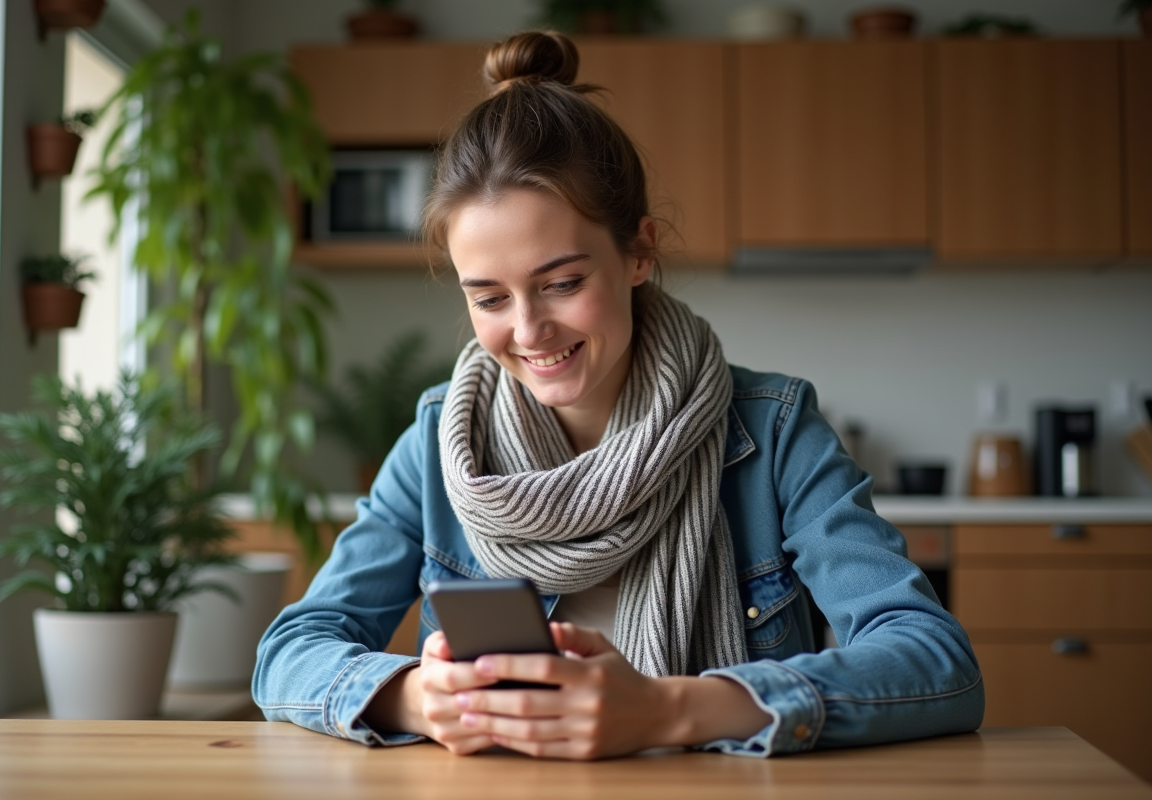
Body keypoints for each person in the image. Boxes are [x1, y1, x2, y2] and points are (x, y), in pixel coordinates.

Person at [253, 30, 984, 760]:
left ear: (639, 251)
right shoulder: (443, 440)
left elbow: (936, 663)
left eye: (562, 283)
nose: (529, 330)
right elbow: (290, 651)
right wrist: (417, 696)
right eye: (489, 298)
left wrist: (667, 711)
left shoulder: (774, 429)